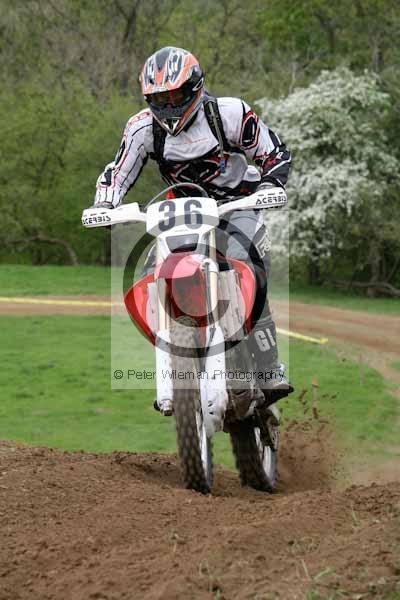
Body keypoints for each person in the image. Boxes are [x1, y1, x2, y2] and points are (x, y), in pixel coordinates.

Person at [94, 46, 293, 404]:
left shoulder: (229, 113)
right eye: (160, 99)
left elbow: (274, 152)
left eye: (176, 96)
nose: (169, 106)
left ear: (195, 87)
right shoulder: (142, 128)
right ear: (148, 98)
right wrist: (105, 204)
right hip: (183, 213)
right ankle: (174, 364)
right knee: (153, 272)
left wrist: (269, 185)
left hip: (236, 205)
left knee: (246, 267)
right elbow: (118, 172)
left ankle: (269, 368)